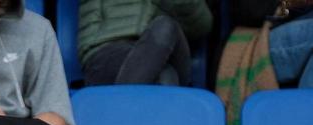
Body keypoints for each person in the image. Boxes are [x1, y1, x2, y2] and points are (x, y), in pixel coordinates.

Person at [78, 0, 213, 87]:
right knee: (166, 76)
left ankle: (118, 115)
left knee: (166, 26)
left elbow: (203, 25)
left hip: (164, 51)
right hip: (106, 51)